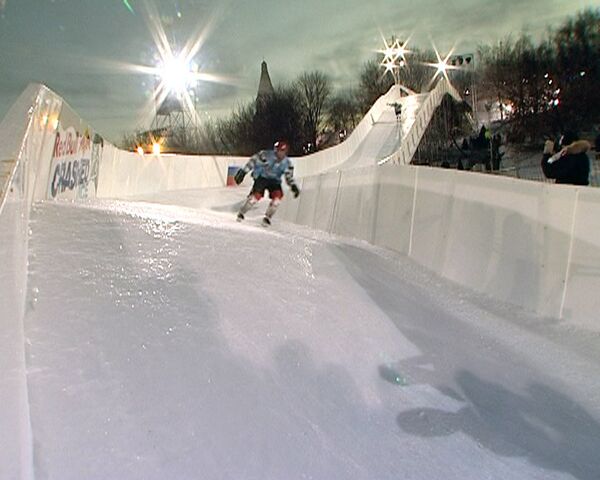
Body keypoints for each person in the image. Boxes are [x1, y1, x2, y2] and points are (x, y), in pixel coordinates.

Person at [234, 140, 300, 225]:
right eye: (279, 151)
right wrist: (243, 172)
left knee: (277, 197)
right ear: (276, 150)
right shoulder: (266, 155)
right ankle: (242, 212)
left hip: (274, 181)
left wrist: (293, 186)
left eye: (283, 152)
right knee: (255, 197)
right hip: (262, 178)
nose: (281, 154)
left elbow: (289, 176)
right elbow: (253, 161)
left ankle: (267, 217)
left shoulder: (287, 163)